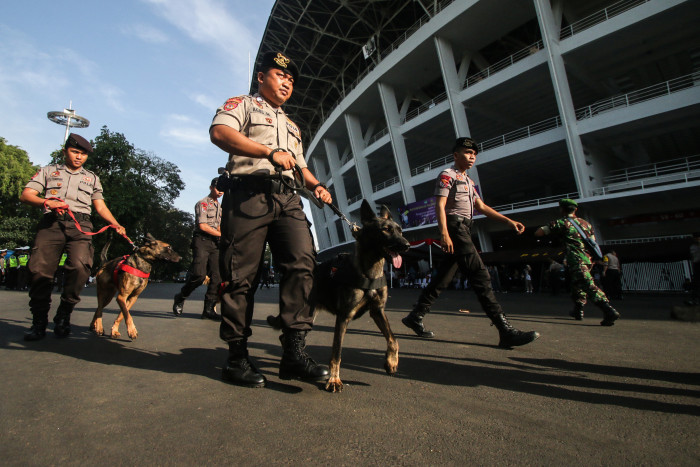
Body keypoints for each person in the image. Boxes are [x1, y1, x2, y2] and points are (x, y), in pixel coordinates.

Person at [209, 51, 332, 387]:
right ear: (261, 77)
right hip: (248, 194)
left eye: (291, 80)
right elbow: (219, 133)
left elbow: (301, 166)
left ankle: (293, 352)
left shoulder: (292, 125)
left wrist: (318, 186)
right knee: (240, 276)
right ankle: (236, 357)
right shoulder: (242, 105)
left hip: (288, 199)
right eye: (280, 76)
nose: (287, 82)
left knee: (303, 263)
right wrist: (267, 152)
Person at [401, 137, 540, 348]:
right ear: (456, 155)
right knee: (480, 275)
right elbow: (440, 205)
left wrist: (508, 221)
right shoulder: (448, 175)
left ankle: (415, 316)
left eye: (474, 153)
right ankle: (505, 330)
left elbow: (482, 207)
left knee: (442, 278)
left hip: (464, 229)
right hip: (455, 228)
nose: (472, 156)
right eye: (467, 152)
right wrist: (444, 234)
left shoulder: (469, 181)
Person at [19, 133, 126, 341]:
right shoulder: (48, 171)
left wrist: (115, 223)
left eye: (83, 154)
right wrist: (46, 202)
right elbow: (26, 195)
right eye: (75, 152)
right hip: (52, 223)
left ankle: (64, 313)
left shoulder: (92, 177)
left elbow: (100, 205)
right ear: (64, 151)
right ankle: (39, 322)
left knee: (80, 267)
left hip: (81, 226)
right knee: (40, 271)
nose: (79, 157)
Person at [535, 199, 619, 325]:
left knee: (587, 284)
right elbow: (593, 241)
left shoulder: (562, 223)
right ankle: (578, 310)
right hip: (588, 259)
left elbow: (539, 232)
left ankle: (608, 310)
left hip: (575, 259)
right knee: (577, 284)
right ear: (575, 210)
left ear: (562, 209)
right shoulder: (586, 224)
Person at [172, 178, 224, 321]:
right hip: (202, 241)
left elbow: (218, 225)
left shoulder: (220, 206)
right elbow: (203, 226)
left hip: (215, 243)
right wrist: (222, 235)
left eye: (223, 189)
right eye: (218, 188)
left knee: (217, 277)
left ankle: (208, 310)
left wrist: (222, 235)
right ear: (211, 187)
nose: (220, 192)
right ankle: (181, 297)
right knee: (199, 275)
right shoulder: (203, 204)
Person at [688, 233, 700, 305]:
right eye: (696, 238)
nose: (697, 239)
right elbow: (694, 257)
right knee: (696, 283)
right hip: (697, 264)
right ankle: (695, 300)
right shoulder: (693, 247)